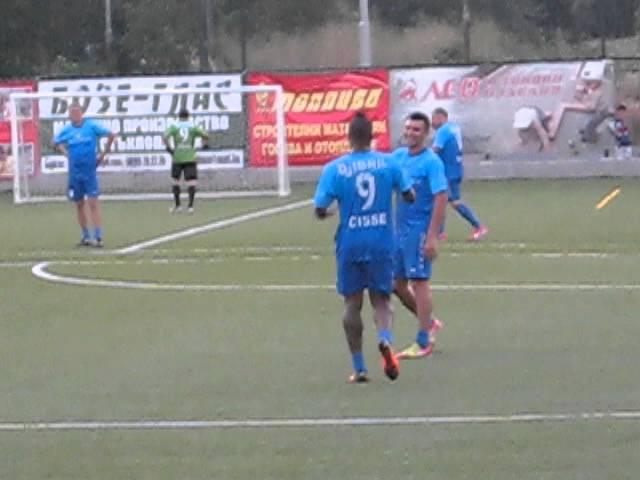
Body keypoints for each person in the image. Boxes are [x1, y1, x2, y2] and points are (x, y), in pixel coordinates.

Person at [314, 111, 414, 383]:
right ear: (372, 136)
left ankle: (359, 368)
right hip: (382, 240)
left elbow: (320, 209)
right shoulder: (389, 163)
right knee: (382, 299)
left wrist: (332, 211)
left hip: (351, 241)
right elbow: (409, 194)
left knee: (351, 304)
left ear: (349, 138)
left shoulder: (335, 168)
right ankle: (385, 339)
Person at [392, 112, 448, 360]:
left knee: (419, 282)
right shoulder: (398, 157)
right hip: (399, 230)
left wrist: (432, 236)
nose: (411, 133)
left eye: (416, 129)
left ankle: (423, 340)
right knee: (395, 284)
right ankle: (430, 322)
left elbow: (441, 196)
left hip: (419, 230)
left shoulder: (432, 162)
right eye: (408, 128)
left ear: (425, 134)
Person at [54, 103, 115, 247]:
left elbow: (111, 135)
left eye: (76, 112)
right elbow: (55, 142)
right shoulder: (67, 130)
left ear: (81, 113)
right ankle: (86, 236)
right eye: (71, 113)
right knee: (79, 204)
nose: (74, 116)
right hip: (75, 173)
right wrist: (66, 154)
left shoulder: (91, 126)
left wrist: (102, 154)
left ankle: (99, 237)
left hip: (89, 172)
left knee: (93, 203)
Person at [431, 108, 488, 241]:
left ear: (441, 117)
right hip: (456, 169)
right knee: (443, 201)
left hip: (447, 172)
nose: (432, 122)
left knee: (448, 201)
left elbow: (435, 150)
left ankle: (478, 226)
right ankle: (440, 233)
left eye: (433, 118)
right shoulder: (454, 128)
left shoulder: (443, 130)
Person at [163, 109, 209, 214]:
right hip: (190, 157)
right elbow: (206, 135)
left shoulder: (174, 126)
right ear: (188, 116)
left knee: (175, 181)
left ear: (179, 116)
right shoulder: (193, 126)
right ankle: (190, 206)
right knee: (191, 182)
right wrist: (204, 144)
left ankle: (178, 206)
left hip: (177, 157)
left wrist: (169, 148)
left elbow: (165, 137)